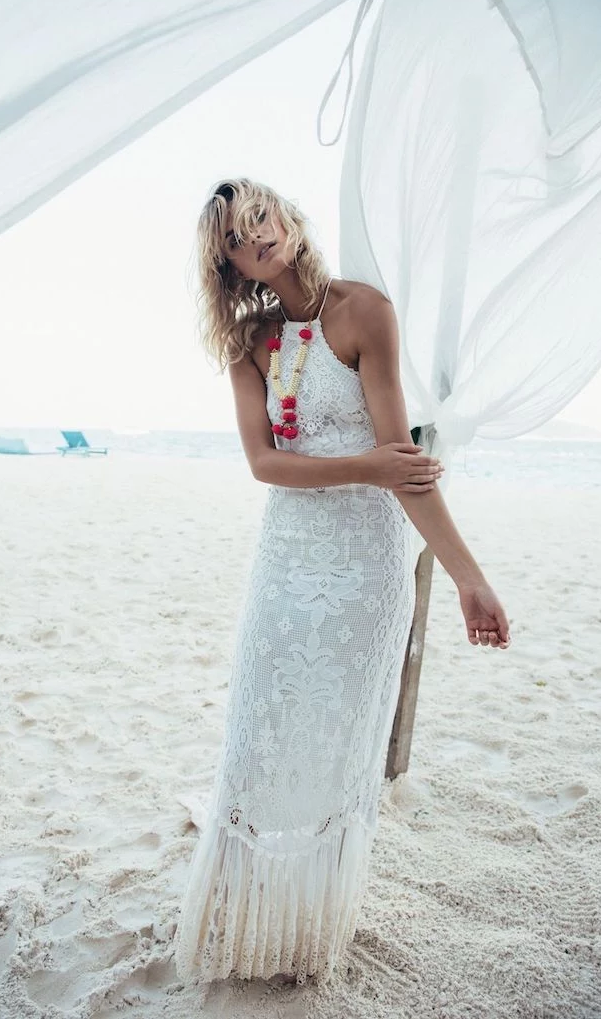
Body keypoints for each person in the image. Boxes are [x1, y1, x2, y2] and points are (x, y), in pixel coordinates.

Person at [173, 177, 511, 988]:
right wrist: (364, 464)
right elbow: (265, 464)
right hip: (286, 563)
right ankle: (240, 923)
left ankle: (304, 936)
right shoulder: (249, 342)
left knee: (338, 751)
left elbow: (409, 470)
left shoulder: (365, 313)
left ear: (285, 217)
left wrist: (469, 580)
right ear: (229, 265)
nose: (257, 237)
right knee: (258, 739)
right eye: (237, 239)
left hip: (366, 568)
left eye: (261, 219)